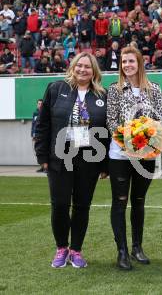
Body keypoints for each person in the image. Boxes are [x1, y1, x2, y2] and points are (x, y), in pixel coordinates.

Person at [34, 52, 109, 268]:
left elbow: (107, 131)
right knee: (59, 205)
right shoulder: (56, 89)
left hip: (89, 159)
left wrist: (104, 164)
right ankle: (61, 248)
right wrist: (42, 155)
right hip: (60, 157)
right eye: (79, 66)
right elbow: (43, 124)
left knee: (82, 206)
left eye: (87, 67)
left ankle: (76, 250)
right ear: (73, 67)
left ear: (94, 71)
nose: (82, 70)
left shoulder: (102, 95)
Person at [106, 46, 162, 270]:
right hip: (120, 154)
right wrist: (128, 139)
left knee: (138, 201)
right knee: (120, 202)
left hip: (147, 154)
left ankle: (137, 247)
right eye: (124, 62)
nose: (127, 65)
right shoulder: (115, 90)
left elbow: (159, 117)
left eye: (131, 61)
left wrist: (147, 137)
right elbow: (111, 121)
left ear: (140, 63)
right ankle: (121, 251)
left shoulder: (155, 89)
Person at [32, 99, 44, 172]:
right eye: (38, 103)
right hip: (36, 135)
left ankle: (46, 167)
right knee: (38, 151)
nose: (40, 105)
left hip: (43, 135)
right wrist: (33, 134)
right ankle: (42, 167)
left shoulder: (45, 112)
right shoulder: (35, 113)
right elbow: (33, 124)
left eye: (41, 104)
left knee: (43, 150)